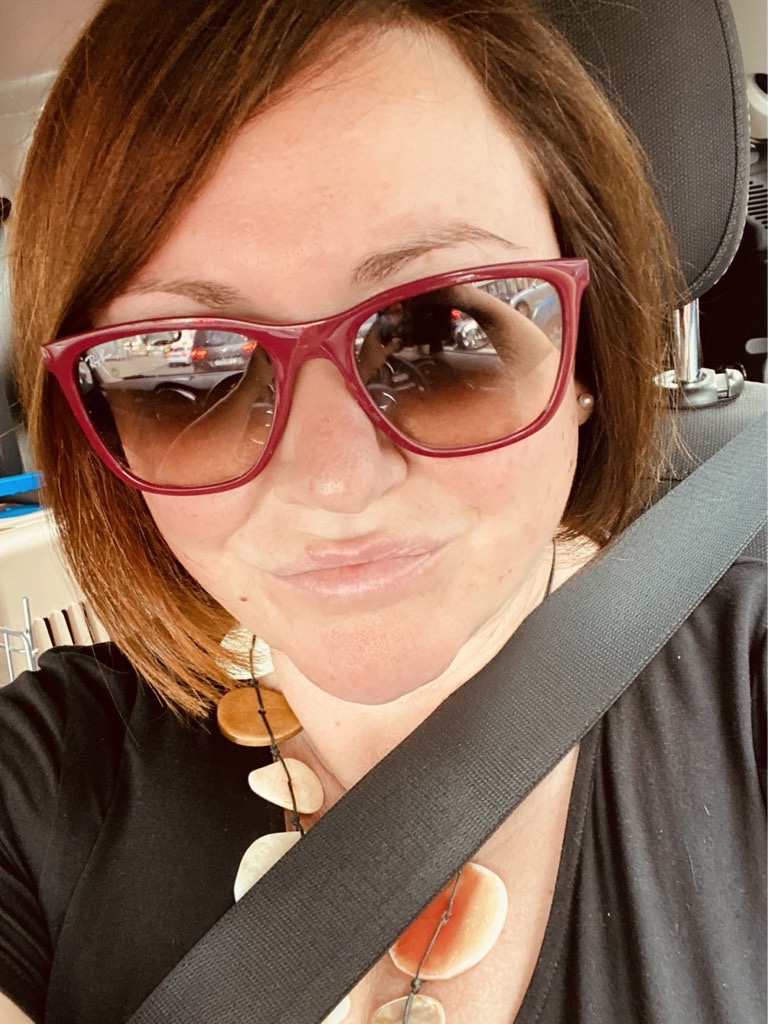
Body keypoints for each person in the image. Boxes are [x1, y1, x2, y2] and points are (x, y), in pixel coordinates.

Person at [0, 1, 764, 1022]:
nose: (335, 482)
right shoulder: (45, 773)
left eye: (443, 335)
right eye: (185, 373)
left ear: (585, 357)